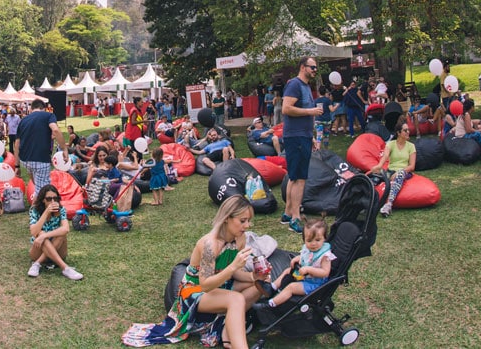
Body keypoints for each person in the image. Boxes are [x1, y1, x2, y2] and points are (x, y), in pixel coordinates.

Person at [122, 196, 264, 348]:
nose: (247, 225)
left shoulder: (240, 239)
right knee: (236, 299)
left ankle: (226, 331)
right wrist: (233, 267)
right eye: (242, 221)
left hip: (222, 285)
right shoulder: (210, 244)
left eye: (249, 220)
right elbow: (206, 285)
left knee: (259, 285)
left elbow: (235, 274)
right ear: (227, 218)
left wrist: (253, 276)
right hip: (195, 291)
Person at [281, 56, 323, 234]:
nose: (314, 70)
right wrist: (310, 111)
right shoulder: (294, 85)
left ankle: (287, 213)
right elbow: (286, 108)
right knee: (300, 179)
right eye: (312, 67)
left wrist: (311, 136)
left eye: (315, 68)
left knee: (293, 176)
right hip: (295, 136)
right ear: (302, 67)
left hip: (303, 136)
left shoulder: (305, 87)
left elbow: (305, 115)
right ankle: (295, 219)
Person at [254, 218, 336, 308]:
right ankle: (271, 288)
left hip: (315, 284)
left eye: (317, 240)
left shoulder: (325, 256)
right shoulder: (309, 249)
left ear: (324, 238)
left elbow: (325, 272)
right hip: (304, 276)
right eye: (309, 240)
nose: (313, 244)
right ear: (304, 240)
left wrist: (309, 269)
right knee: (287, 270)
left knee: (291, 287)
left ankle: (271, 304)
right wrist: (298, 258)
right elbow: (306, 257)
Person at [27, 185, 83, 281]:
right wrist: (46, 213)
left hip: (58, 250)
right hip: (38, 250)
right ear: (43, 200)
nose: (52, 201)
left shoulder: (61, 210)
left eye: (55, 198)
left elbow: (66, 229)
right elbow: (33, 231)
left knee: (58, 234)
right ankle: (65, 268)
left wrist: (45, 235)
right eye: (49, 199)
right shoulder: (35, 210)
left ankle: (37, 263)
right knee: (40, 234)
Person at [15, 99, 68, 199]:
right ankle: (35, 212)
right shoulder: (48, 115)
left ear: (31, 109)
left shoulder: (23, 120)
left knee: (38, 185)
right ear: (43, 108)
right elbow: (55, 130)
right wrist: (64, 149)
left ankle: (38, 202)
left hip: (25, 160)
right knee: (43, 193)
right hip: (40, 159)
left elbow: (17, 144)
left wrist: (16, 166)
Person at [367, 121, 416, 217]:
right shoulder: (391, 144)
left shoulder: (411, 146)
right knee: (375, 178)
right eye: (405, 130)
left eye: (408, 130)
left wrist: (399, 172)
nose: (408, 132)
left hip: (404, 171)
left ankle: (389, 204)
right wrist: (379, 165)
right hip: (391, 171)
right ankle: (364, 201)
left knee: (400, 174)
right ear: (398, 133)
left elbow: (412, 166)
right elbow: (385, 156)